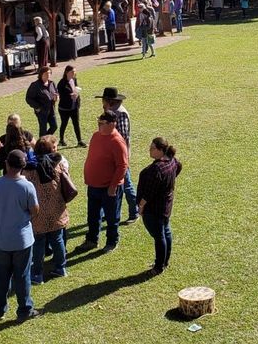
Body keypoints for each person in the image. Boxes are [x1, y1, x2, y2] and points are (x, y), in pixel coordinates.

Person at [0, 150, 39, 321]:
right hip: (22, 240)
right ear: (23, 166)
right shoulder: (27, 186)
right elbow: (35, 210)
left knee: (1, 276)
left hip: (1, 239)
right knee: (22, 276)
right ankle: (24, 310)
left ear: (7, 164)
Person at [77, 111, 129, 252]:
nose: (99, 125)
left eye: (102, 123)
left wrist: (113, 186)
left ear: (113, 124)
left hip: (109, 188)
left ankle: (112, 241)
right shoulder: (96, 136)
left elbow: (123, 166)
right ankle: (91, 240)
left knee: (112, 217)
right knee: (92, 215)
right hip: (93, 185)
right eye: (98, 122)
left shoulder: (117, 141)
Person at [136, 137, 181, 275]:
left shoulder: (156, 169)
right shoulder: (172, 161)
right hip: (165, 205)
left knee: (159, 236)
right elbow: (178, 168)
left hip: (154, 208)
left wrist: (141, 206)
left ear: (161, 150)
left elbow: (148, 193)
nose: (149, 150)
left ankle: (159, 266)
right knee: (165, 232)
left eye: (152, 148)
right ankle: (164, 261)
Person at [29, 138, 72, 281]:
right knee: (58, 239)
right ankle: (60, 268)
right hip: (56, 210)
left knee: (38, 243)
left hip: (38, 212)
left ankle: (37, 274)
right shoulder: (59, 167)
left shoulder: (30, 170)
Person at [101, 87, 136, 222]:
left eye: (104, 100)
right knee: (109, 183)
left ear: (109, 101)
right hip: (110, 156)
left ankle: (134, 211)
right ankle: (108, 212)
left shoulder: (120, 114)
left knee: (126, 184)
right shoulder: (110, 112)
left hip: (120, 157)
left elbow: (122, 136)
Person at [25, 67, 59, 139]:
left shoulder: (52, 83)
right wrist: (37, 107)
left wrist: (57, 97)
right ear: (41, 74)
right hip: (42, 111)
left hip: (51, 110)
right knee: (43, 128)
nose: (48, 75)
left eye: (49, 73)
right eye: (46, 73)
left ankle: (44, 140)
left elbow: (56, 92)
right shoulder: (35, 85)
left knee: (54, 126)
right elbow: (28, 98)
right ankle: (42, 144)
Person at [57, 64, 85, 147]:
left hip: (74, 107)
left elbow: (75, 90)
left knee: (76, 124)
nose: (74, 73)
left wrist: (77, 98)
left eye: (75, 72)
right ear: (66, 72)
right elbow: (62, 96)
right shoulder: (61, 83)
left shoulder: (74, 80)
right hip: (64, 108)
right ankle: (61, 140)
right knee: (64, 124)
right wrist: (70, 96)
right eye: (72, 72)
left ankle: (79, 141)